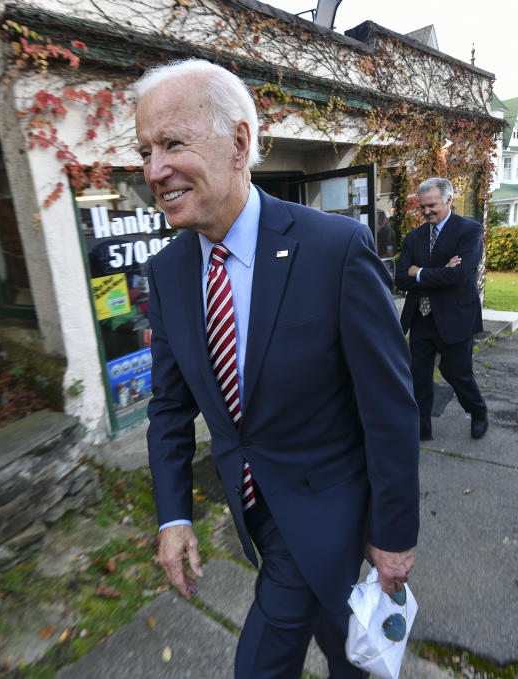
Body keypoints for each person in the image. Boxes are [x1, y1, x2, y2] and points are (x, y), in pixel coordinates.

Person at [137, 58, 420, 678]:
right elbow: (167, 408)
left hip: (331, 510)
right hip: (257, 515)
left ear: (238, 143)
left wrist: (394, 532)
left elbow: (389, 403)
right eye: (146, 150)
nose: (155, 170)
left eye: (173, 143)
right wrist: (175, 514)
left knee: (262, 662)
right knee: (351, 648)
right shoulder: (168, 271)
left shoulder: (334, 248)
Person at [395, 177, 488, 441]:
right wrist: (439, 271)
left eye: (432, 206)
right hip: (421, 318)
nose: (426, 212)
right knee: (418, 377)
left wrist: (420, 272)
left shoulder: (468, 231)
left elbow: (458, 276)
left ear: (449, 200)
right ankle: (421, 428)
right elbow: (401, 278)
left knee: (457, 373)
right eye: (422, 206)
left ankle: (478, 411)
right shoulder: (414, 237)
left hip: (455, 316)